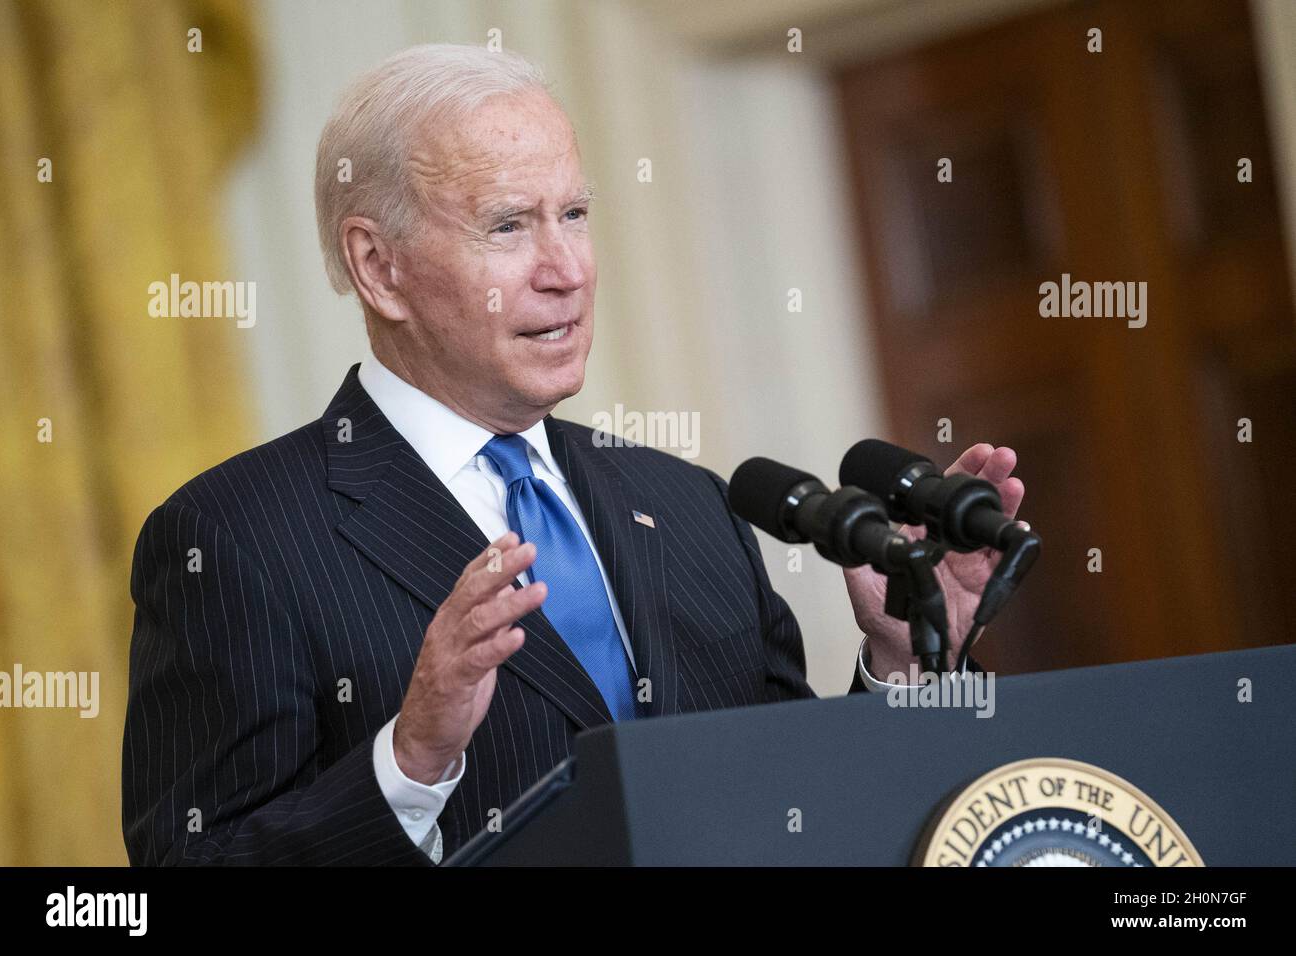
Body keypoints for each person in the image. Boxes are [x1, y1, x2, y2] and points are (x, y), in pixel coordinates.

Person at [122, 43, 1025, 865]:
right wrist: (410, 760)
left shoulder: (688, 504)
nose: (567, 267)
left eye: (576, 213)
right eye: (509, 226)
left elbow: (803, 812)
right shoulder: (236, 537)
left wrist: (907, 662)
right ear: (378, 267)